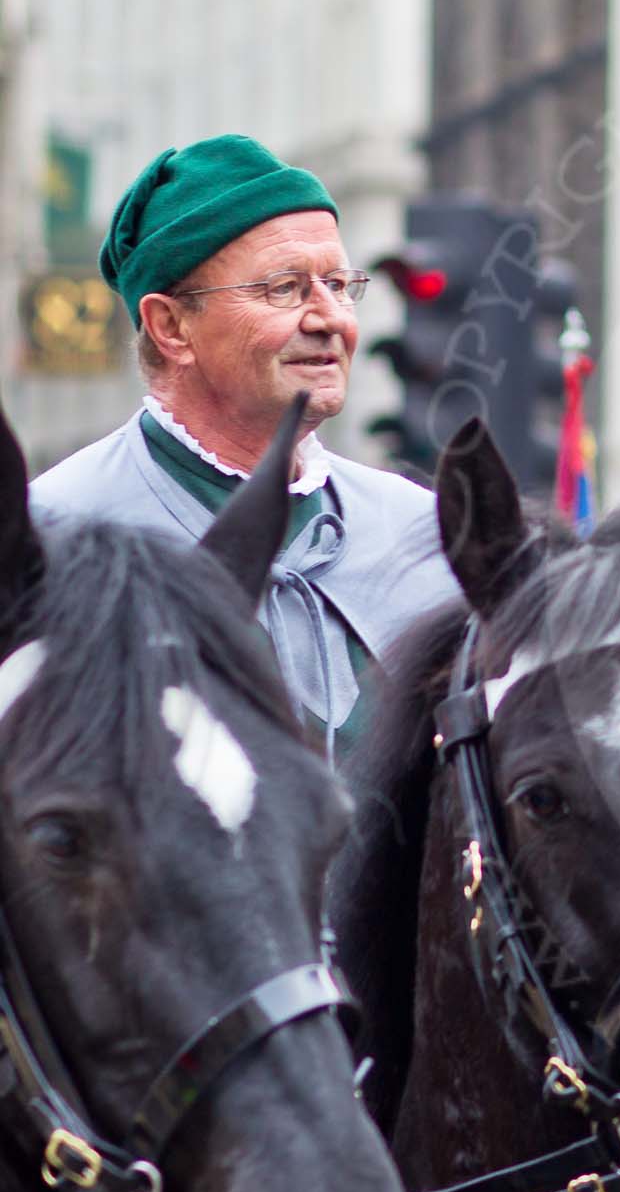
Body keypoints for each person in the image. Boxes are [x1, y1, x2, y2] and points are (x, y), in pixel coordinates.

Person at [30, 134, 454, 759]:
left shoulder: (421, 530)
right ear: (171, 327)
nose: (330, 318)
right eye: (284, 288)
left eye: (339, 284)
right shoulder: (51, 538)